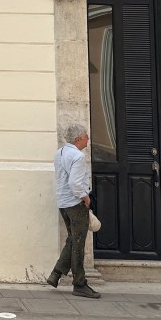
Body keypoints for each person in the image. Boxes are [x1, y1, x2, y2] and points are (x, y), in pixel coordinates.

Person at [47, 123, 101, 299]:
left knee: (72, 239)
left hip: (63, 202)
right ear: (78, 139)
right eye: (86, 136)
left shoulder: (60, 153)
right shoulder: (78, 156)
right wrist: (86, 199)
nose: (88, 138)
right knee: (78, 244)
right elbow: (75, 184)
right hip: (75, 204)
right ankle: (79, 284)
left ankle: (56, 273)